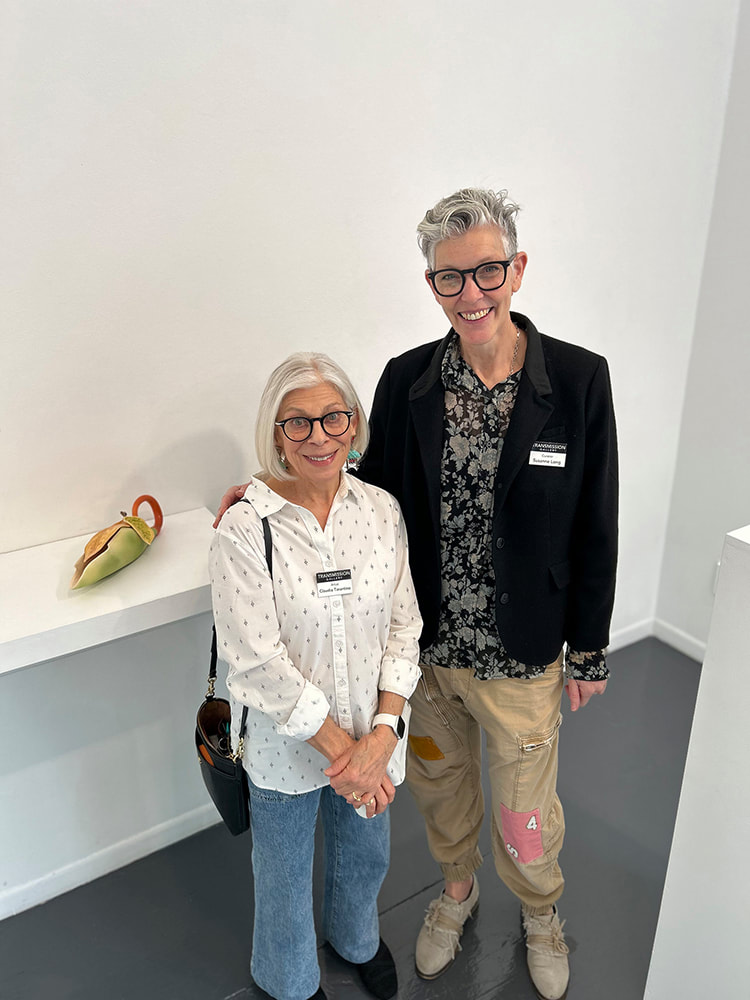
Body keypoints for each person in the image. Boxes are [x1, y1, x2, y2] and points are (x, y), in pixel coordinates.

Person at [216, 188, 618, 1000]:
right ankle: (457, 893)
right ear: (430, 283)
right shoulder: (407, 381)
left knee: (525, 814)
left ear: (518, 269)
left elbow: (597, 516)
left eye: (488, 271)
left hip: (524, 651)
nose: (472, 293)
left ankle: (541, 914)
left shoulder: (576, 380)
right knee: (441, 793)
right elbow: (368, 486)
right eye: (449, 278)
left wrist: (591, 647)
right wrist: (265, 487)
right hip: (428, 658)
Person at [209, 352, 421, 1000]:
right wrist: (348, 756)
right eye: (297, 423)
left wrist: (380, 736)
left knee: (367, 856)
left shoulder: (382, 511)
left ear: (353, 424)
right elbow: (256, 661)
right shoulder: (246, 528)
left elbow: (403, 627)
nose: (318, 436)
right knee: (281, 872)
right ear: (276, 434)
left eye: (333, 418)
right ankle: (289, 980)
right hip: (287, 748)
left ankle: (357, 941)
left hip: (373, 737)